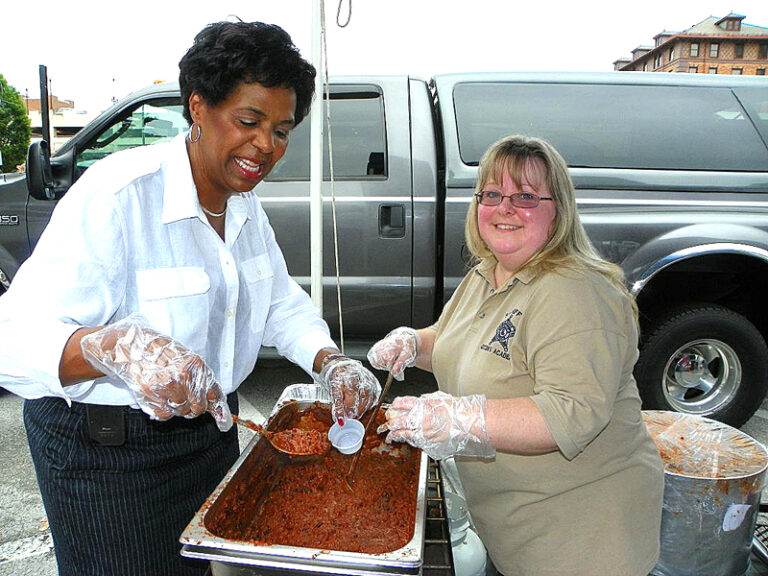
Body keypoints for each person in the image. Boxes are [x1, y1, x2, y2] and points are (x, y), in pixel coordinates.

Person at [0, 21, 379, 576]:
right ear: (198, 107)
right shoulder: (118, 195)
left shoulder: (245, 207)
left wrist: (331, 361)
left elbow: (277, 302)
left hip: (209, 440)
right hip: (107, 458)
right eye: (248, 121)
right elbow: (14, 340)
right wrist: (116, 349)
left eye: (281, 130)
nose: (266, 147)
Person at [368, 135, 664, 576]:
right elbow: (456, 342)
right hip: (511, 530)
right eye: (492, 194)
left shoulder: (577, 291)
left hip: (580, 543)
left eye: (525, 196)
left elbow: (573, 411)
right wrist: (414, 343)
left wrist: (460, 419)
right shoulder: (488, 272)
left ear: (558, 208)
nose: (504, 208)